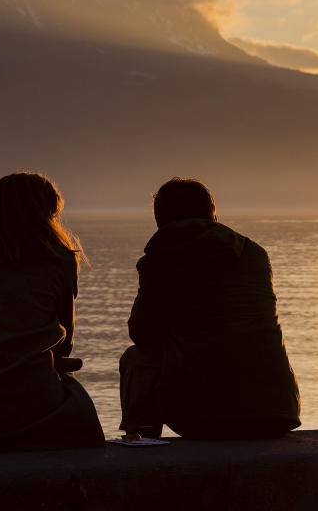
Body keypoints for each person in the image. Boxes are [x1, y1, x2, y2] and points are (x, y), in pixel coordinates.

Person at [0, 172, 105, 452]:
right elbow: (65, 344)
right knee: (75, 395)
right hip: (35, 408)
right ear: (48, 212)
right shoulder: (60, 260)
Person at [119, 178, 301, 440]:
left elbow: (142, 334)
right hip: (276, 412)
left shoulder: (157, 262)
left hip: (202, 418)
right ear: (213, 215)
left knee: (134, 358)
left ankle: (143, 445)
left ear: (160, 221)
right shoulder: (255, 254)